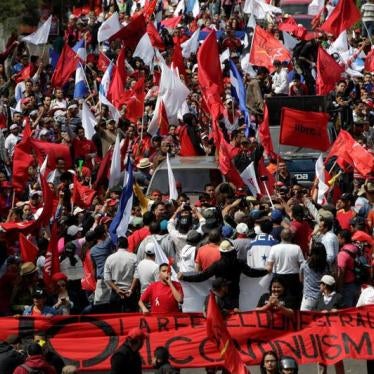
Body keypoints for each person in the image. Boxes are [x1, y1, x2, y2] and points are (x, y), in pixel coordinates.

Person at [179, 240, 268, 310]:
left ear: (221, 253)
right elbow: (252, 273)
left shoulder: (217, 265)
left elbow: (202, 276)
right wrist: (266, 271)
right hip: (234, 293)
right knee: (234, 316)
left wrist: (185, 278)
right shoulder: (239, 263)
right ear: (232, 251)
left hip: (220, 294)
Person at [314, 275, 345, 374]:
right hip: (322, 333)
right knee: (321, 360)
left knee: (338, 359)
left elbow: (346, 313)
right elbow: (313, 312)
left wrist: (337, 312)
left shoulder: (339, 297)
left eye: (321, 284)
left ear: (325, 285)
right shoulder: (319, 298)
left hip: (335, 334)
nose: (319, 286)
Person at [266, 229, 304, 307]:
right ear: (291, 237)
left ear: (280, 236)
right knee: (295, 299)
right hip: (294, 278)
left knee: (280, 298)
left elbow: (269, 267)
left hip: (279, 277)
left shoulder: (274, 248)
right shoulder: (297, 248)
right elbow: (302, 265)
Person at [104, 236, 138, 312]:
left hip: (115, 294)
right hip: (130, 293)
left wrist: (117, 290)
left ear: (117, 245)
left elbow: (107, 278)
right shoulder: (134, 257)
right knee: (130, 320)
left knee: (115, 319)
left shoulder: (110, 258)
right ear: (128, 245)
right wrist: (131, 289)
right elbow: (137, 275)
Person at [300, 242, 329, 311]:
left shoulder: (305, 265)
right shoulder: (327, 266)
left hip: (308, 298)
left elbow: (301, 280)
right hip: (323, 298)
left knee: (304, 320)